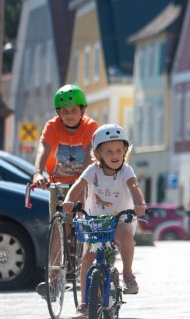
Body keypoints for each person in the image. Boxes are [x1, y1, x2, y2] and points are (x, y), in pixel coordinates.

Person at [62, 124, 147, 319]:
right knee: (87, 259)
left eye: (119, 150)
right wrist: (68, 200)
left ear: (125, 151)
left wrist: (140, 203)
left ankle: (127, 274)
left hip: (121, 219)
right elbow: (77, 186)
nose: (114, 154)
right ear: (98, 153)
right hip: (96, 221)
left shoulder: (126, 170)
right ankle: (84, 303)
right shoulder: (93, 170)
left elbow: (134, 187)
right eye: (108, 151)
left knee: (125, 235)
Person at [31, 84, 99, 297]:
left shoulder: (90, 126)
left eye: (73, 111)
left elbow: (90, 153)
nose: (69, 115)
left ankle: (85, 265)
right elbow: (44, 150)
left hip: (81, 182)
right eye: (64, 111)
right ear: (58, 113)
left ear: (82, 111)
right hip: (58, 183)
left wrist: (83, 181)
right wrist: (38, 173)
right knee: (58, 227)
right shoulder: (52, 126)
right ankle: (53, 281)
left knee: (82, 224)